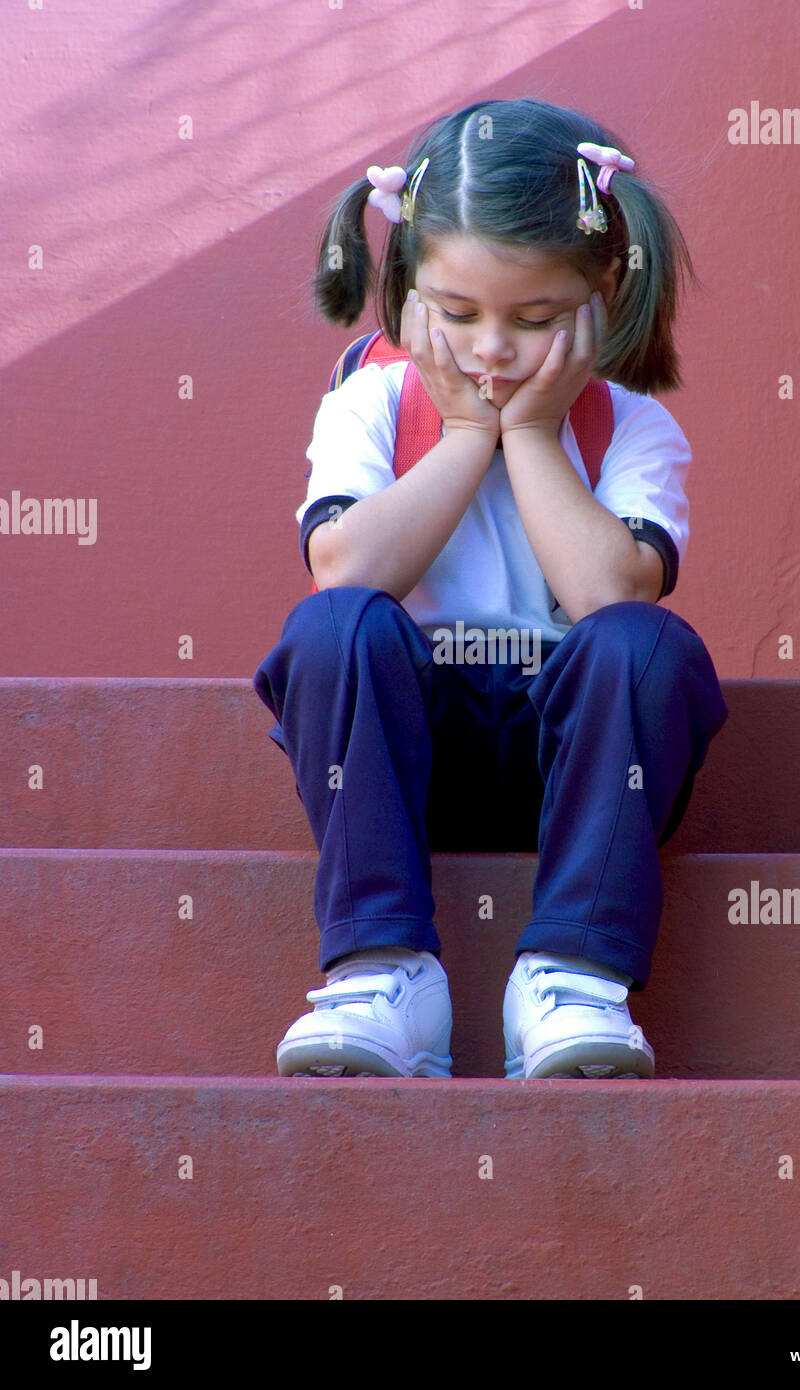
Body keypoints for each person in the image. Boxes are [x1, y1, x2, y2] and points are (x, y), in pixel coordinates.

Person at [253, 98, 728, 1081]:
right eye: (458, 314)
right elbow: (342, 569)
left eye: (536, 318)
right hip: (405, 760)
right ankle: (384, 969)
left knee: (650, 647)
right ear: (406, 287)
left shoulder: (629, 429)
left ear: (601, 292)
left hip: (576, 765)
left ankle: (571, 973)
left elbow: (611, 593)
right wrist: (468, 435)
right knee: (332, 628)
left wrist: (531, 434)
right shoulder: (369, 406)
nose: (493, 350)